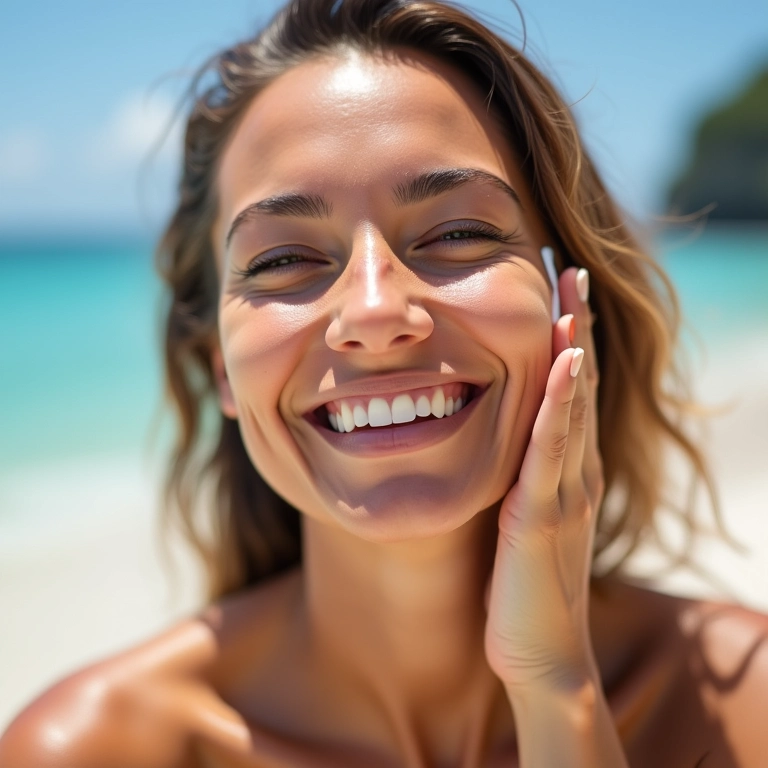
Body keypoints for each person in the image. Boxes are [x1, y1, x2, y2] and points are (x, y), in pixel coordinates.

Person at [2, 0, 767, 765]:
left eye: (458, 234)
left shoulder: (741, 703)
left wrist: (555, 690)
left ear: (569, 301)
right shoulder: (89, 749)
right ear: (221, 371)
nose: (374, 310)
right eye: (282, 260)